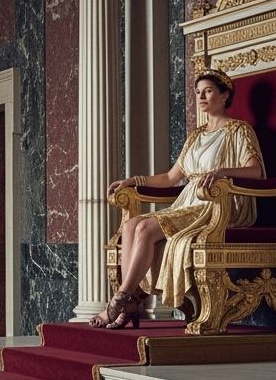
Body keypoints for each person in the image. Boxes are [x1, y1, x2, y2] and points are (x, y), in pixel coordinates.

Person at [93, 69, 264, 329]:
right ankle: (131, 297)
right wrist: (134, 181)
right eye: (198, 92)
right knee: (131, 225)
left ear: (224, 94)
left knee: (146, 228)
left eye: (208, 91)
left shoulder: (239, 130)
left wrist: (221, 172)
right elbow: (170, 178)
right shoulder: (196, 136)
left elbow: (256, 171)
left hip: (218, 203)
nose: (202, 97)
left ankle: (122, 298)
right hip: (188, 202)